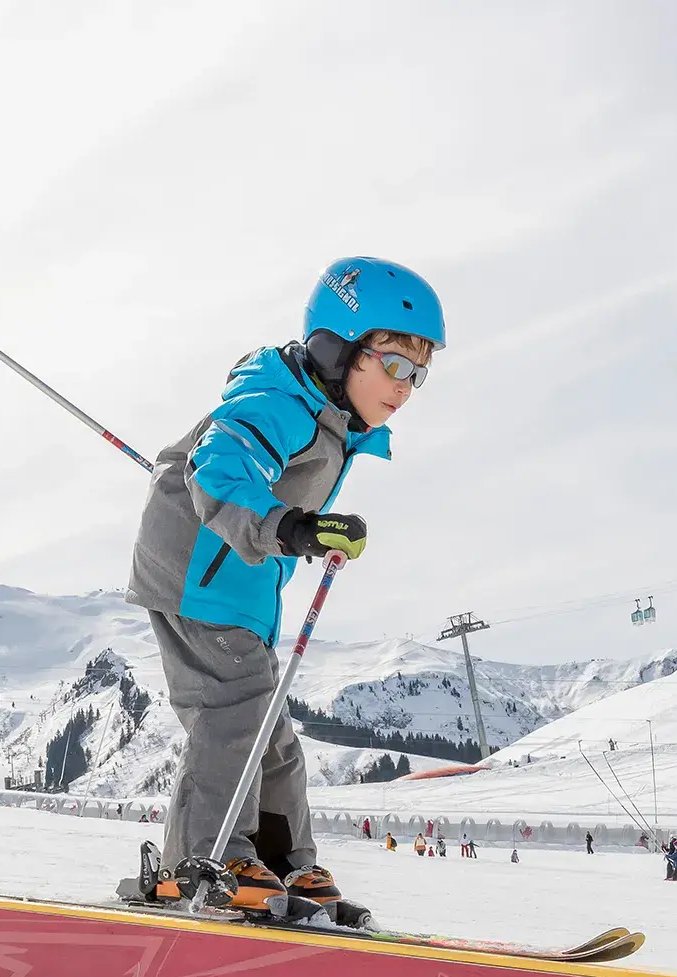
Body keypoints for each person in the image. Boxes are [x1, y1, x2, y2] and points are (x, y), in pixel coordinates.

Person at [126, 258, 444, 911]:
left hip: (240, 584)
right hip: (197, 571)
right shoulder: (279, 404)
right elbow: (217, 470)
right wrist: (293, 527)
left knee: (269, 728)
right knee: (233, 710)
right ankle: (204, 863)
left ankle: (282, 863)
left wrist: (299, 530)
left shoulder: (329, 424)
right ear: (339, 348)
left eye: (420, 373)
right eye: (394, 364)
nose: (406, 386)